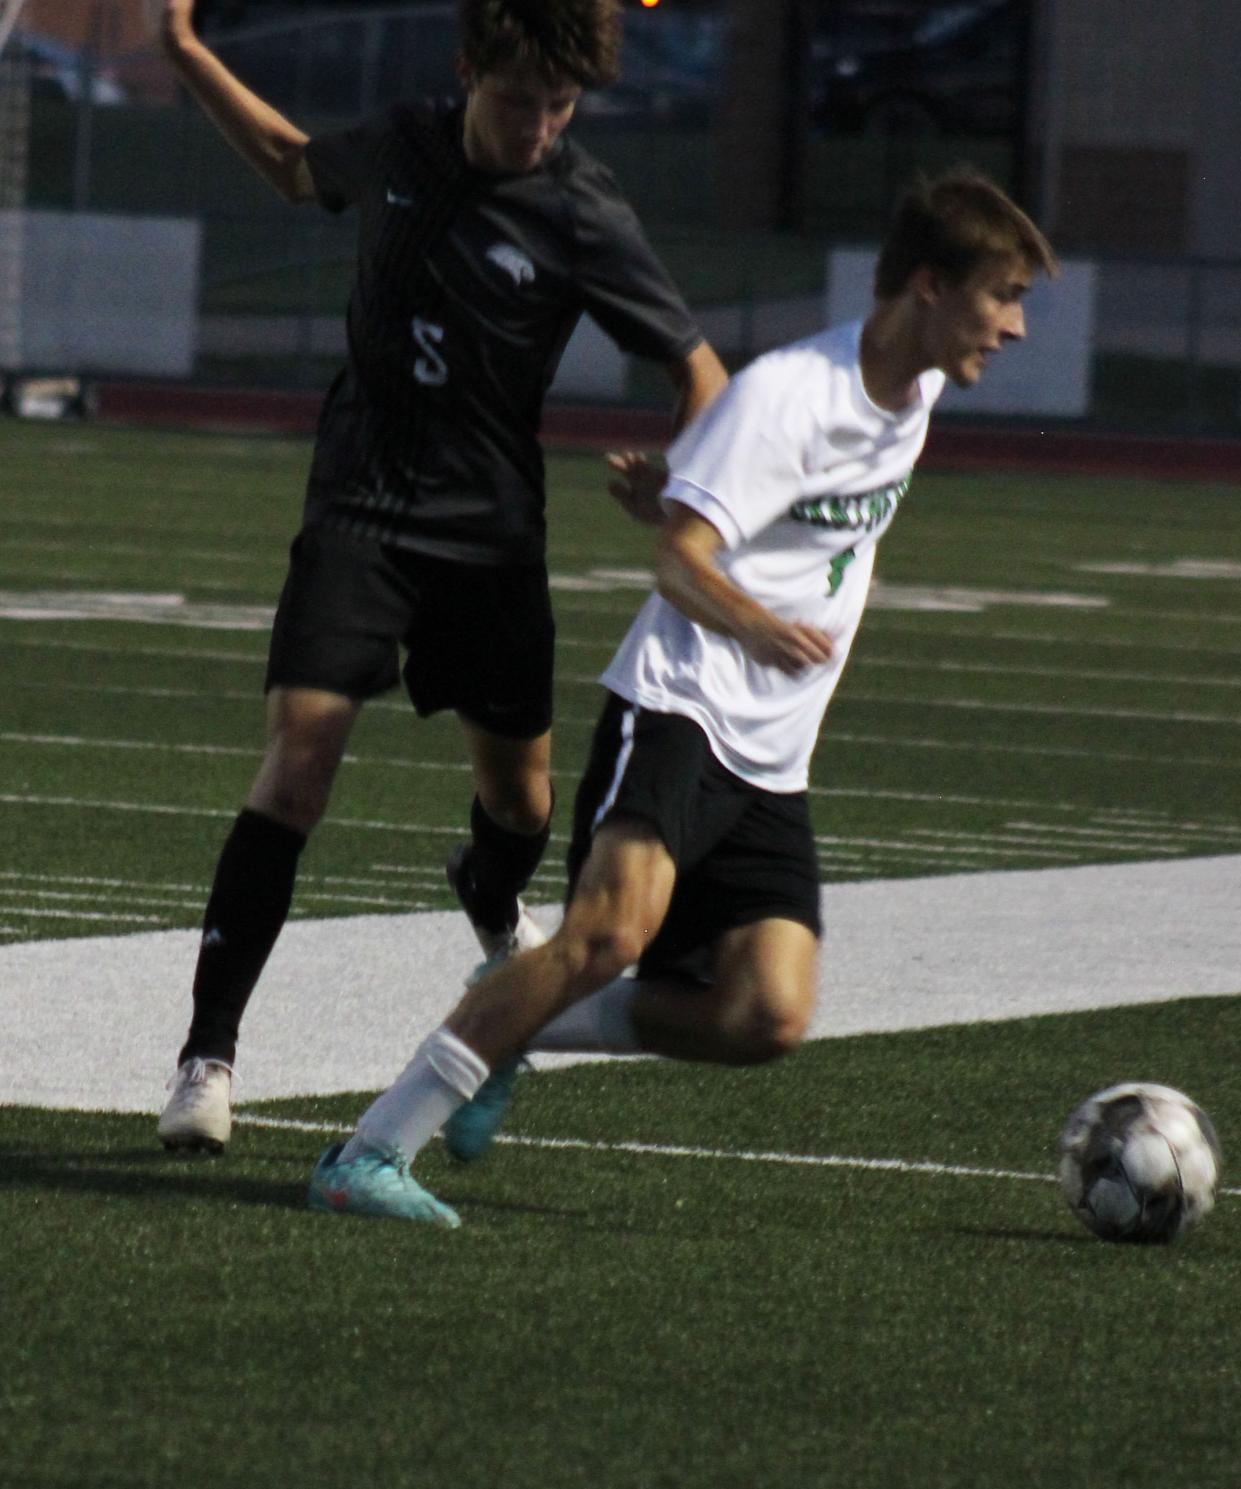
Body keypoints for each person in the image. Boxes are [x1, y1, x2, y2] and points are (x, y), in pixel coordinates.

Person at [303, 168, 1056, 1225]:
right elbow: (676, 566)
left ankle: (512, 1021)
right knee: (603, 938)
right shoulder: (791, 394)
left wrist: (688, 481)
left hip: (773, 755)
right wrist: (747, 610)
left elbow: (773, 505)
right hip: (681, 709)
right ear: (928, 287)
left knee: (764, 1014)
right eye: (1002, 295)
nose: (1016, 327)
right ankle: (367, 1155)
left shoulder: (916, 390)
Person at [131, 0, 727, 1156]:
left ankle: (486, 890)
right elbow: (298, 164)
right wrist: (181, 44)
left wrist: (687, 472)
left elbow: (703, 372)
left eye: (563, 104)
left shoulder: (582, 210)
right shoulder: (400, 145)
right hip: (359, 509)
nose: (542, 126)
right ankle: (206, 1059)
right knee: (298, 764)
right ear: (469, 75)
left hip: (491, 536)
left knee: (519, 801)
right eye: (522, 100)